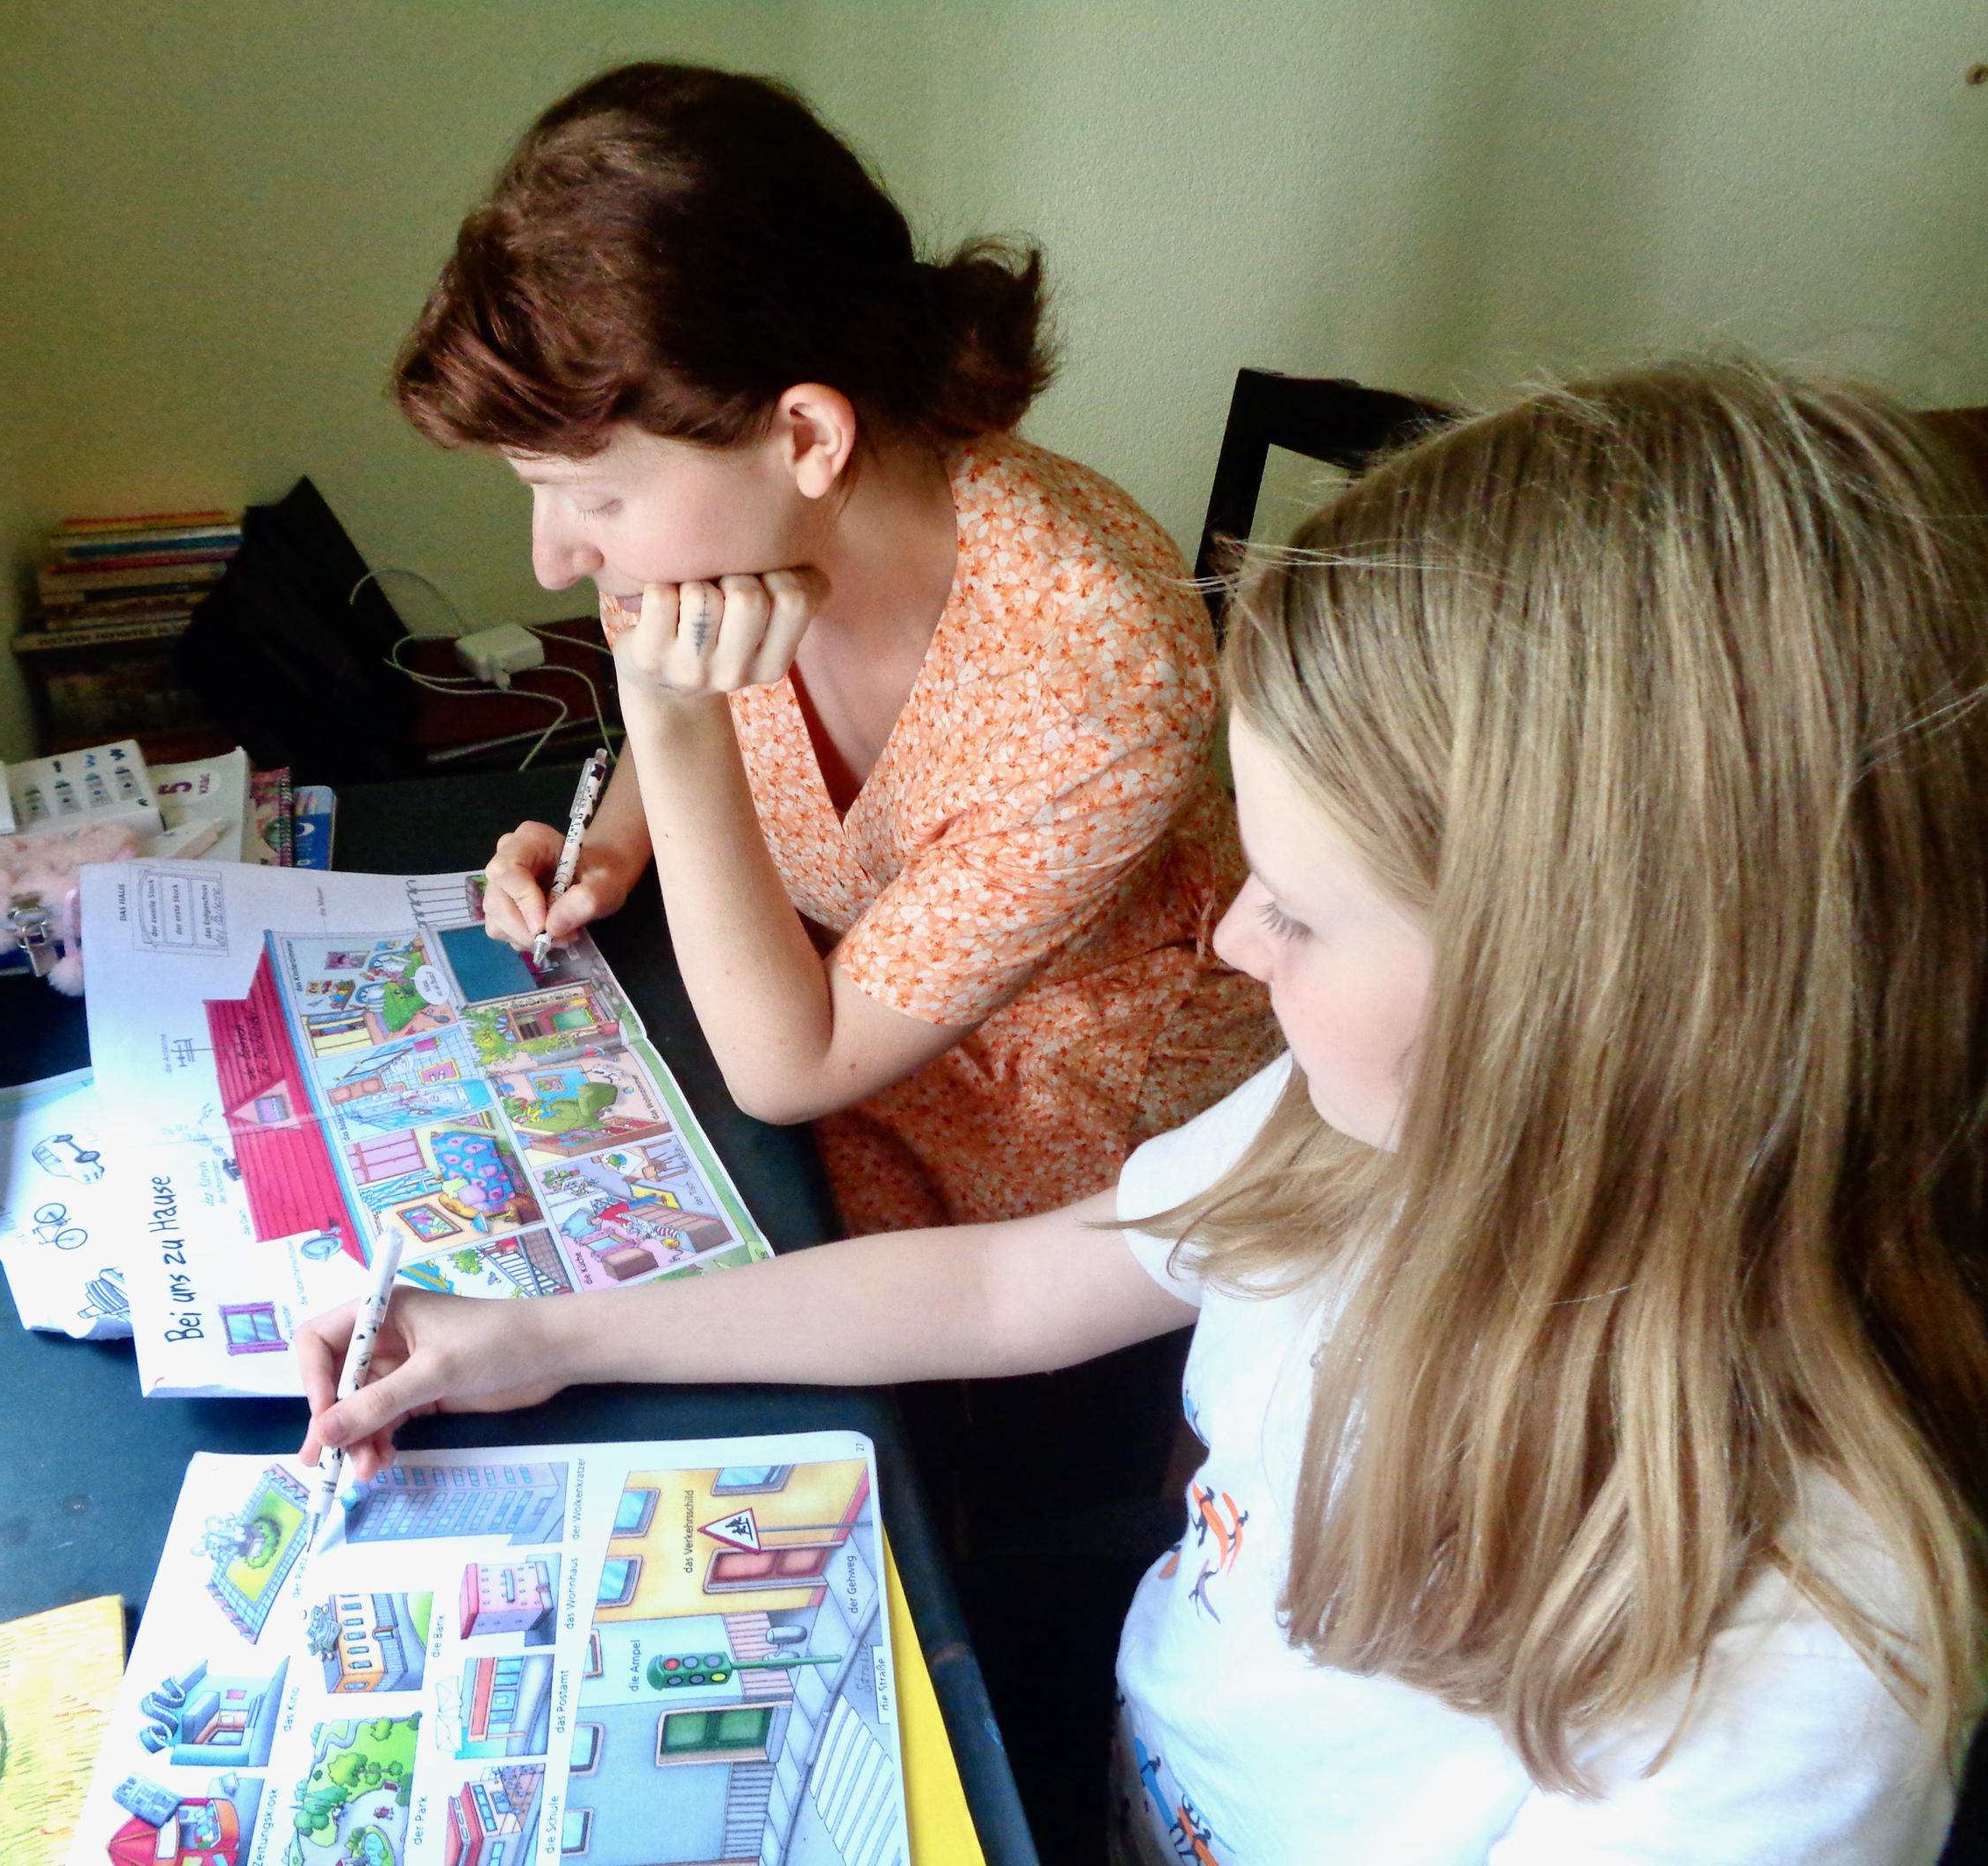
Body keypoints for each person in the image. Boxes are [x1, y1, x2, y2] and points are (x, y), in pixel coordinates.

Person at [306, 358, 1988, 1860]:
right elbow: (1008, 1285)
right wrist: (545, 1337)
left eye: (1303, 910)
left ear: (1601, 999)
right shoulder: (1353, 1142)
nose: (1235, 941)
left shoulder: (1799, 1673)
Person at [391, 62, 1279, 1243]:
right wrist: (608, 850)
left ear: (805, 435)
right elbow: (706, 727)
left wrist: (667, 718)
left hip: (1068, 1147)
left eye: (591, 500)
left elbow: (786, 1066)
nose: (554, 558)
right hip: (800, 1015)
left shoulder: (1101, 673)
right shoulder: (706, 540)